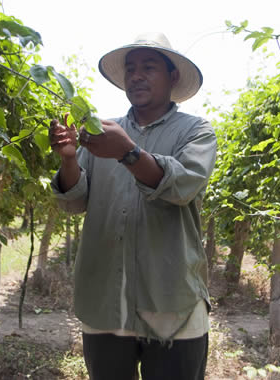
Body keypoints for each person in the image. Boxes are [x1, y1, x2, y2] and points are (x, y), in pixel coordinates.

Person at [49, 32, 217, 380]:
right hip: (105, 303)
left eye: (148, 67)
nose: (136, 75)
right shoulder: (102, 133)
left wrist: (128, 153)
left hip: (173, 305)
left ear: (173, 78)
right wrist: (68, 160)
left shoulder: (196, 131)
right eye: (130, 69)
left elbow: (182, 186)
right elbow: (75, 202)